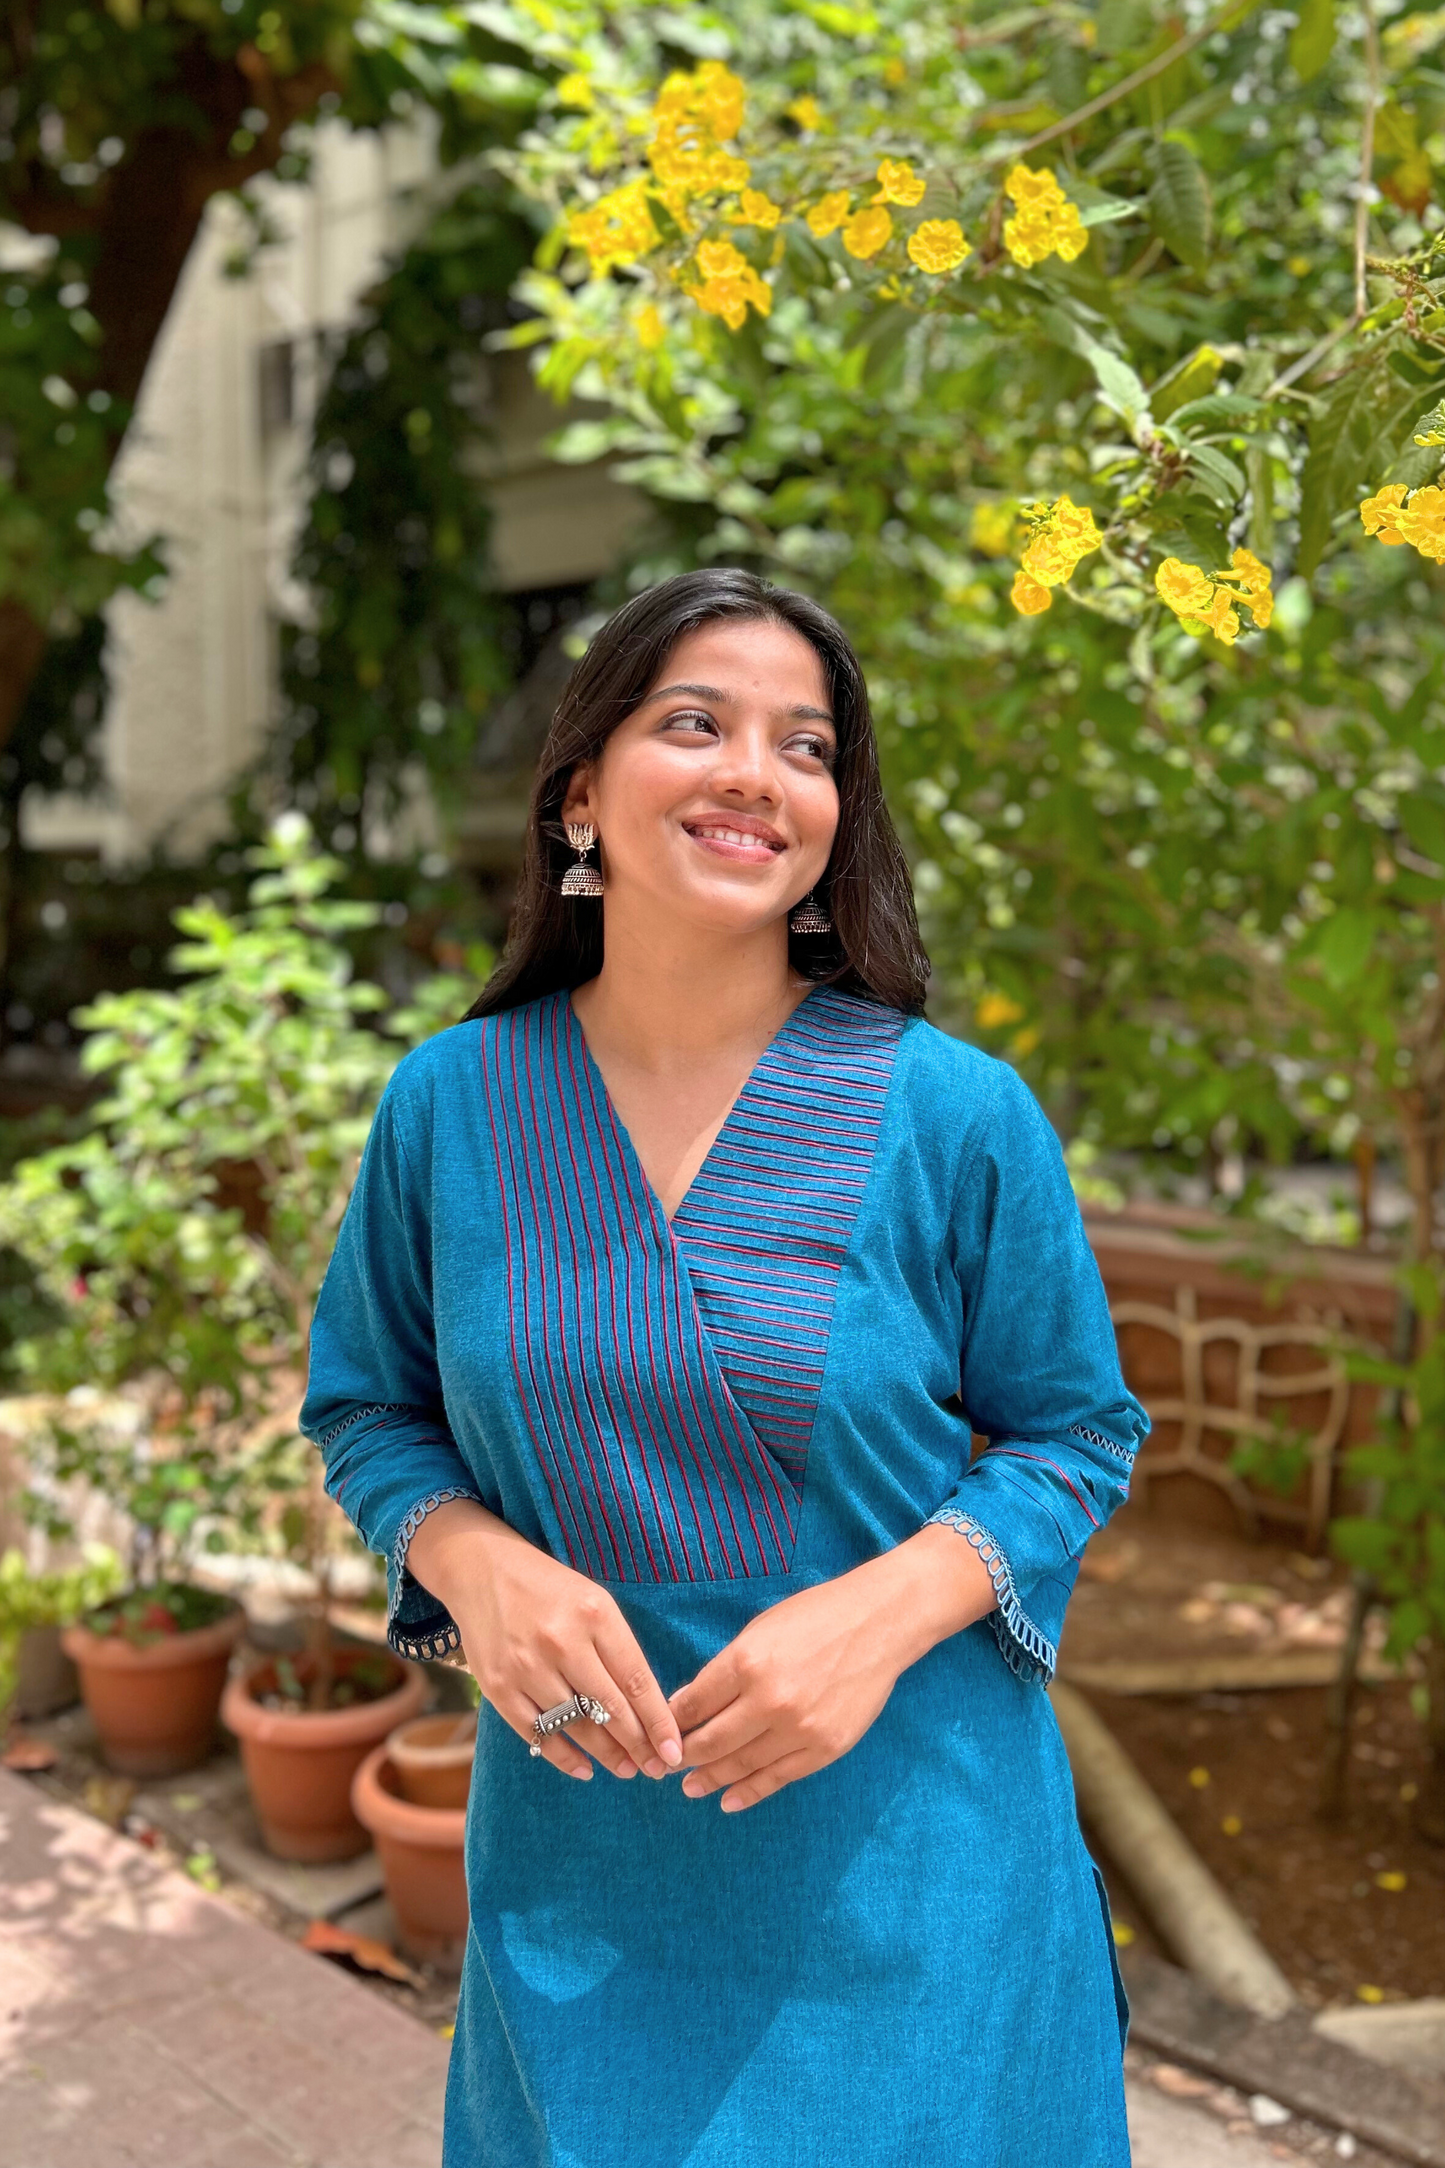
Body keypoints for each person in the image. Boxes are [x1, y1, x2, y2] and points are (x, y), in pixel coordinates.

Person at [301, 568, 1147, 2168]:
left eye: (808, 746)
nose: (758, 773)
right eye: (697, 723)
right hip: (583, 1887)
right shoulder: (451, 1107)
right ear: (580, 793)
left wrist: (877, 1614)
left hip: (917, 1878)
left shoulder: (956, 1117)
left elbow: (1076, 1435)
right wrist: (471, 1560)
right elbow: (368, 1406)